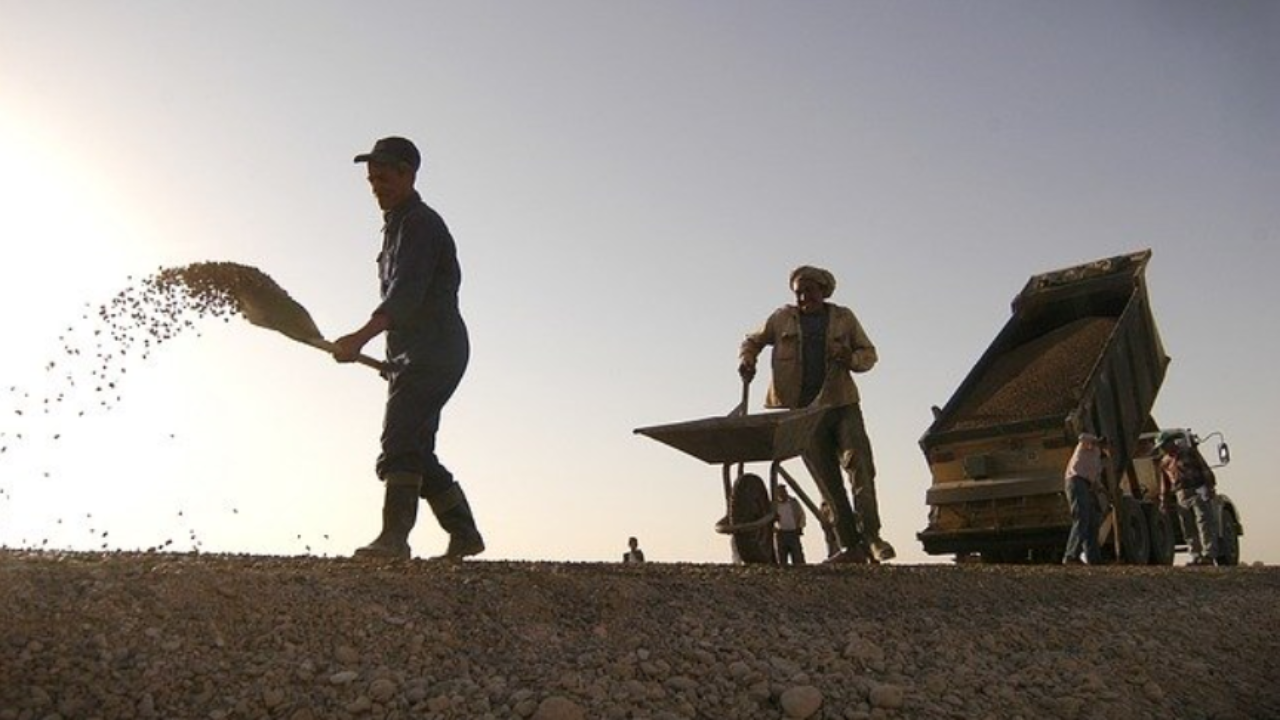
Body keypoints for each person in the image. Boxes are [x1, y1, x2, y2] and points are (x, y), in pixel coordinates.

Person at [334, 136, 483, 561]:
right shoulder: (395, 226)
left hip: (436, 349)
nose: (375, 187)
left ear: (408, 175)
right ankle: (464, 533)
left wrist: (359, 337)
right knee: (416, 447)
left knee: (399, 441)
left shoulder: (421, 224)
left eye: (383, 178)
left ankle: (394, 538)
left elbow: (406, 295)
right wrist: (393, 358)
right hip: (415, 353)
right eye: (371, 180)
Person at [738, 265, 894, 563]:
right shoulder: (781, 318)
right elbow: (752, 340)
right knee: (827, 481)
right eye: (798, 293)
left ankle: (872, 537)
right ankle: (850, 546)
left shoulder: (843, 318)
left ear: (823, 291)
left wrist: (850, 358)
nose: (803, 298)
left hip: (842, 404)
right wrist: (747, 359)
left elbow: (869, 354)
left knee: (860, 465)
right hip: (804, 414)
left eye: (808, 291)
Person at [1156, 430, 1219, 565]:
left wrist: (1210, 487)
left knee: (1204, 522)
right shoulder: (1164, 462)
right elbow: (1165, 485)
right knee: (1187, 526)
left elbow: (1204, 468)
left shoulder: (1189, 452)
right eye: (1161, 447)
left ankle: (1208, 555)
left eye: (1164, 445)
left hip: (1197, 490)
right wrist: (1163, 501)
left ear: (1171, 442)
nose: (1163, 449)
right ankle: (1196, 555)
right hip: (1181, 495)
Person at [1062, 432, 1108, 564]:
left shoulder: (1098, 462)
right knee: (1082, 518)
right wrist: (1097, 441)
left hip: (1086, 486)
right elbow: (1082, 437)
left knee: (1092, 522)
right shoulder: (1088, 445)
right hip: (1076, 481)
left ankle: (1094, 558)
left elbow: (1095, 482)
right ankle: (1070, 555)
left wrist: (1104, 492)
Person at [773, 485, 807, 565]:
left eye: (784, 491)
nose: (783, 494)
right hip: (781, 533)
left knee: (797, 557)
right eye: (780, 492)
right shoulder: (774, 505)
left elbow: (802, 515)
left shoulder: (793, 502)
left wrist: (800, 526)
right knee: (782, 558)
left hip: (793, 532)